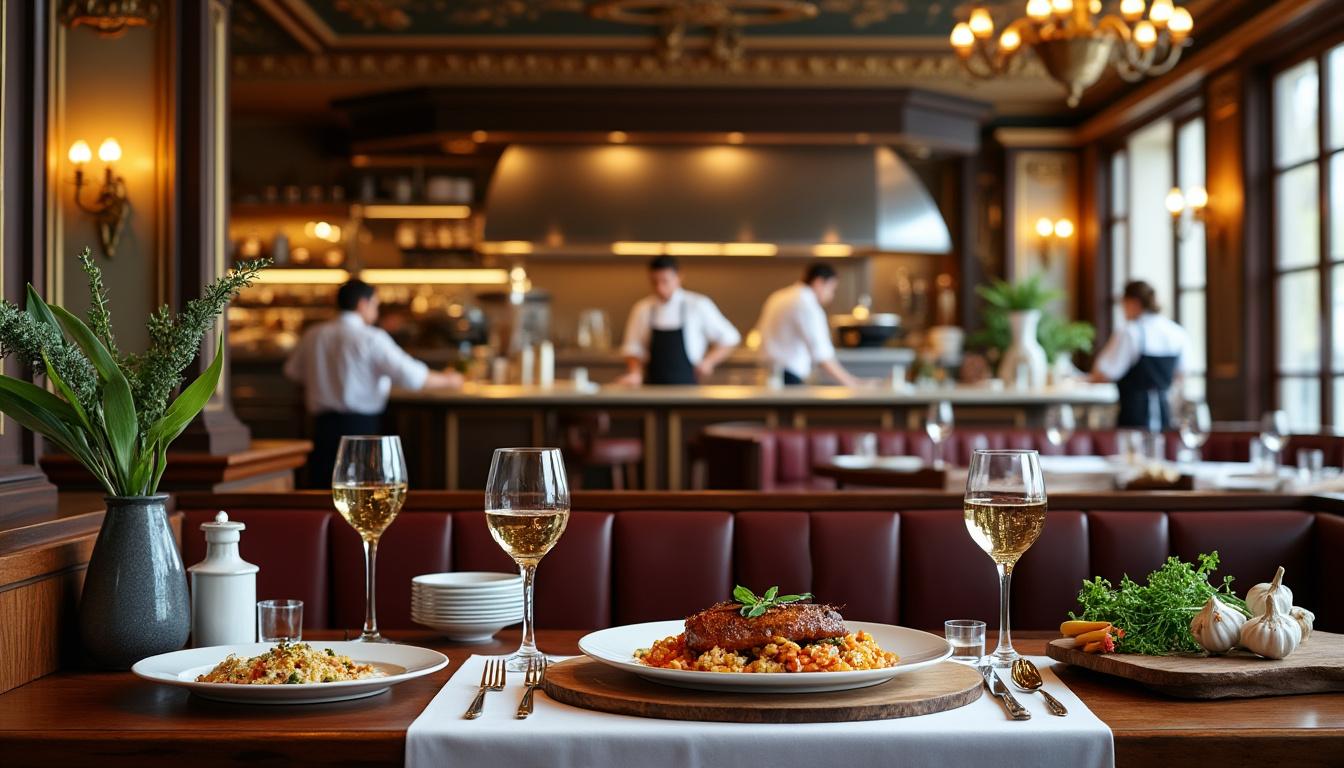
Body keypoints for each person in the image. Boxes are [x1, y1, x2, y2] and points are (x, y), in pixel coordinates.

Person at [285, 279, 462, 487]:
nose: (376, 312)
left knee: (323, 491)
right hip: (360, 429)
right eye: (375, 305)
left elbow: (293, 372)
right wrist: (451, 379)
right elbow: (413, 377)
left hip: (320, 428)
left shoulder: (313, 335)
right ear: (363, 304)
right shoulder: (371, 338)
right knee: (360, 496)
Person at [617, 255, 741, 386]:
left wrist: (708, 362)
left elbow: (730, 337)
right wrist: (635, 373)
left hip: (688, 386)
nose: (659, 287)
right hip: (651, 386)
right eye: (654, 282)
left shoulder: (698, 304)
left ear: (678, 277)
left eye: (665, 281)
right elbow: (632, 347)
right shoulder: (642, 309)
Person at [1090, 280, 1190, 429]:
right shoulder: (1176, 332)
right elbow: (1181, 375)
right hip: (1165, 416)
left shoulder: (1130, 332)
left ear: (1133, 302)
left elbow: (1105, 373)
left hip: (1133, 416)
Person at [754, 262, 863, 387]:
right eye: (832, 289)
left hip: (768, 374)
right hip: (790, 376)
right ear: (818, 282)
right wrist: (851, 382)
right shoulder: (806, 304)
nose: (831, 296)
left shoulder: (778, 297)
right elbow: (822, 353)